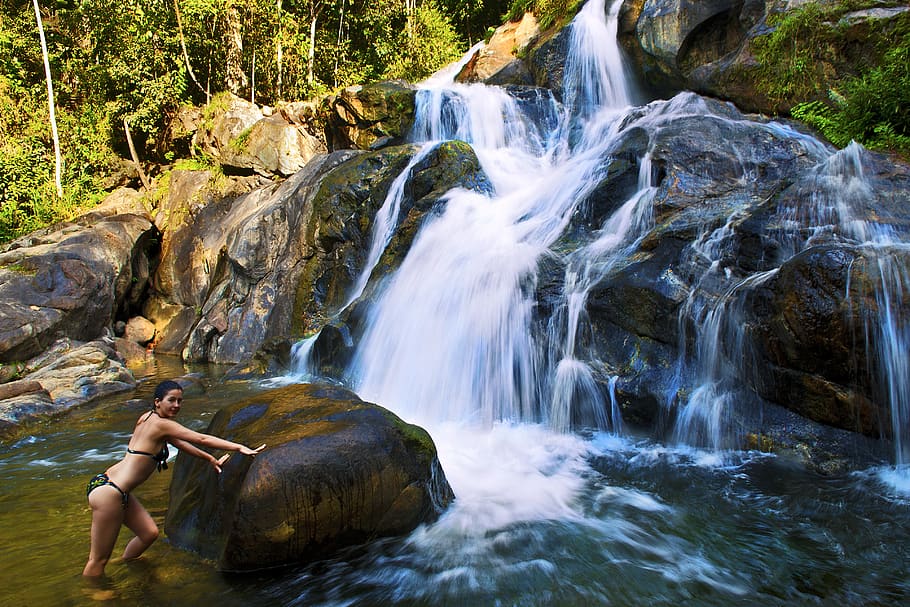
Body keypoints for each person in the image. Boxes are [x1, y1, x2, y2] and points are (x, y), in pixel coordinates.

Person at [82, 379, 265, 577]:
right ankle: (93, 592)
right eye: (172, 400)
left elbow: (179, 443)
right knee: (98, 559)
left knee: (148, 534)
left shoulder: (147, 418)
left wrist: (210, 458)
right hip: (110, 493)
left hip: (109, 484)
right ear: (157, 402)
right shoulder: (161, 425)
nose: (177, 405)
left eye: (180, 401)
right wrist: (238, 447)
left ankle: (126, 563)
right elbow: (200, 438)